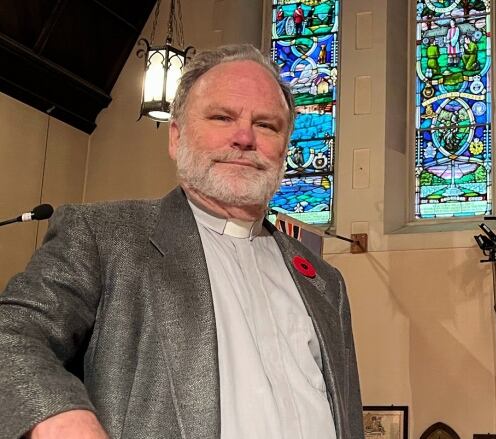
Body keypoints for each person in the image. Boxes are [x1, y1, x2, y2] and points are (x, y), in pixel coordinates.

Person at [0, 44, 363, 439]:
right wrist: (60, 416)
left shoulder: (325, 283)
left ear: (284, 148)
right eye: (222, 117)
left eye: (267, 125)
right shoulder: (103, 236)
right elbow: (13, 333)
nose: (244, 137)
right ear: (176, 137)